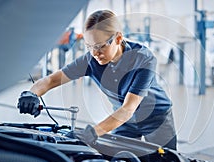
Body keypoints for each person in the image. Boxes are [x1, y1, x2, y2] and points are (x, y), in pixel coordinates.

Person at [18, 9, 177, 150]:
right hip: (123, 121)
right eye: (89, 46)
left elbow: (129, 108)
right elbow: (52, 80)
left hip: (156, 118)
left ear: (118, 38)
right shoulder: (91, 60)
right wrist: (31, 94)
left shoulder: (143, 58)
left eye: (101, 46)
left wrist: (94, 132)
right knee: (118, 161)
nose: (95, 53)